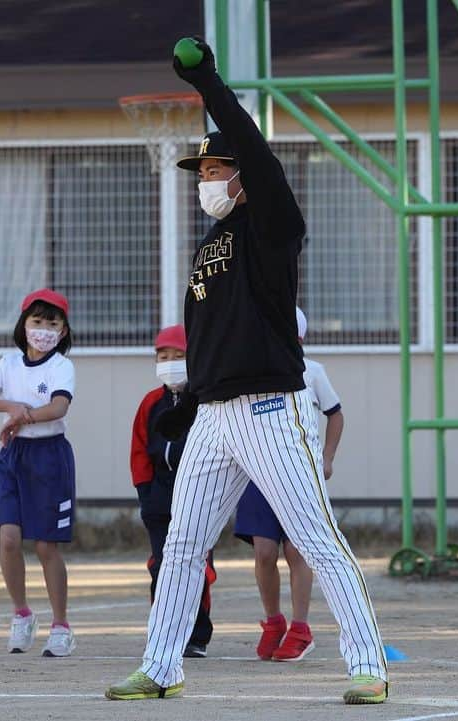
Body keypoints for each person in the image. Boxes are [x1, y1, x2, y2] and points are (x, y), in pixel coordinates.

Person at [106, 39, 388, 705]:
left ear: (241, 170)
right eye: (199, 170)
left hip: (270, 408)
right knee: (181, 544)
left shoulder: (272, 221)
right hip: (214, 414)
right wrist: (188, 400)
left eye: (213, 166)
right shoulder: (212, 242)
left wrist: (205, 80)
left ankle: (368, 663)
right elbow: (208, 337)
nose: (203, 177)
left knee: (316, 536)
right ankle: (162, 665)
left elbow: (248, 143)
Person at [0, 289, 78, 658]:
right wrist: (10, 406)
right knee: (10, 540)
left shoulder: (61, 366)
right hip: (14, 455)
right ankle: (21, 614)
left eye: (52, 323)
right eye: (37, 321)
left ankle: (61, 625)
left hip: (49, 457)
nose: (43, 330)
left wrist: (23, 415)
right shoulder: (7, 364)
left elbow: (59, 407)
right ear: (23, 324)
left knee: (46, 545)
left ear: (63, 331)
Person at [235, 308, 345, 663]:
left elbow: (335, 414)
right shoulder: (251, 371)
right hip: (259, 474)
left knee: (298, 551)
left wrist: (326, 457)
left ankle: (301, 628)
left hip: (299, 473)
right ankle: (273, 623)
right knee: (264, 552)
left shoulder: (312, 372)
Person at [130, 324, 216, 659]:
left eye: (178, 356)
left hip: (199, 490)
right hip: (159, 494)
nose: (169, 362)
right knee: (161, 564)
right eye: (163, 356)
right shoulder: (151, 403)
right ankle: (163, 631)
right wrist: (145, 492)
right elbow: (138, 450)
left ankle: (197, 634)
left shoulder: (207, 400)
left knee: (197, 566)